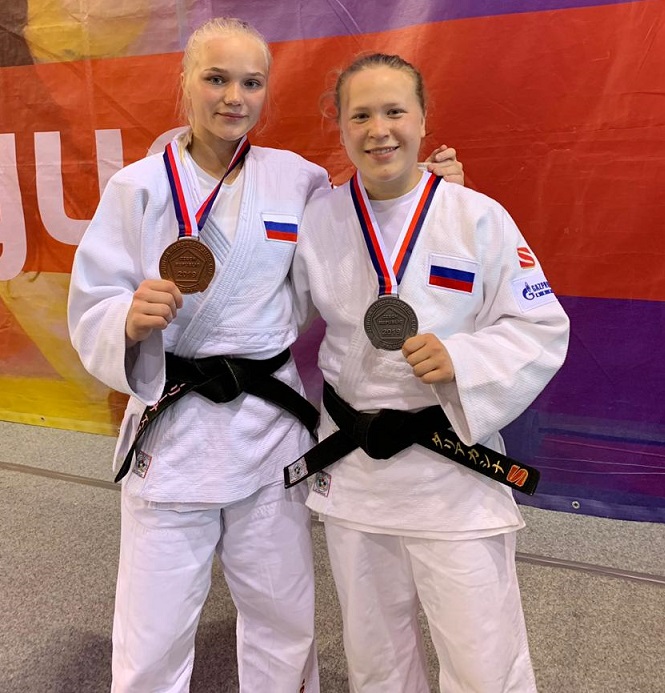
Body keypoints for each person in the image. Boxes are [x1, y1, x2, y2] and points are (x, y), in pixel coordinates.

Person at [67, 18, 464, 693]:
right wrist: (125, 319)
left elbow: (356, 234)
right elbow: (92, 300)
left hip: (267, 425)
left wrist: (423, 185)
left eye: (251, 82)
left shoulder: (296, 180)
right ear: (184, 82)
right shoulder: (137, 188)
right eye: (215, 78)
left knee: (284, 617)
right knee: (153, 633)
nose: (234, 96)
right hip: (178, 427)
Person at [289, 53, 570, 692]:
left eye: (395, 111)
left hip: (451, 473)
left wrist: (462, 361)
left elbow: (541, 325)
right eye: (360, 115)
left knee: (483, 661)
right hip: (357, 469)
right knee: (375, 660)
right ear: (340, 125)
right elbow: (275, 313)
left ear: (422, 119)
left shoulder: (476, 215)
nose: (379, 130)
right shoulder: (321, 219)